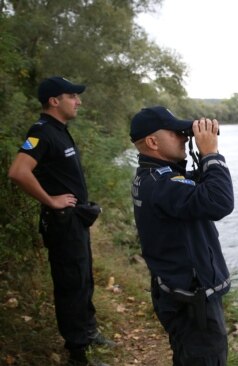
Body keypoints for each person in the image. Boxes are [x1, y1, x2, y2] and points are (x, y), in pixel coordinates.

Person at [8, 76, 114, 366]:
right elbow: (18, 171)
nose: (78, 101)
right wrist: (51, 200)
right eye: (72, 96)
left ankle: (88, 333)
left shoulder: (59, 130)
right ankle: (78, 354)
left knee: (82, 279)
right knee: (70, 285)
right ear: (54, 101)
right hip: (62, 223)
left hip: (75, 221)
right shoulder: (40, 131)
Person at [130, 106, 234, 365]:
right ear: (153, 142)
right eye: (177, 133)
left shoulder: (152, 177)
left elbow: (193, 188)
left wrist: (200, 155)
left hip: (176, 292)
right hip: (192, 303)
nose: (185, 137)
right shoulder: (164, 185)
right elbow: (220, 202)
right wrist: (211, 154)